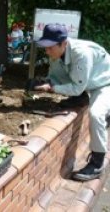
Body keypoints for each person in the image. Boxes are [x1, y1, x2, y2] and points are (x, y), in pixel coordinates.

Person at [34, 23, 110, 181]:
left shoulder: (81, 54)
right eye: (45, 47)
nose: (47, 51)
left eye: (50, 47)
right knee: (76, 91)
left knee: (96, 114)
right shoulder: (57, 54)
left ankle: (97, 164)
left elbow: (76, 87)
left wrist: (51, 88)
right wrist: (42, 82)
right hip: (87, 83)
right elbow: (55, 76)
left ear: (64, 43)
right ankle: (82, 99)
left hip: (104, 83)